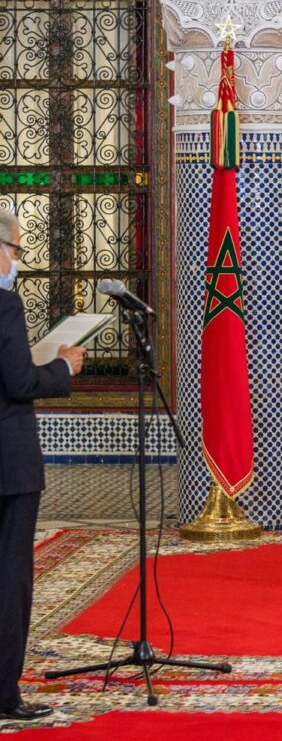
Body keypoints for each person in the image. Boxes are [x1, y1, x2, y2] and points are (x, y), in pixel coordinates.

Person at [0, 211, 85, 722]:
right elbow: (19, 384)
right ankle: (5, 696)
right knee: (10, 581)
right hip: (8, 465)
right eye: (16, 253)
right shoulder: (4, 305)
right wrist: (62, 367)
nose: (16, 265)